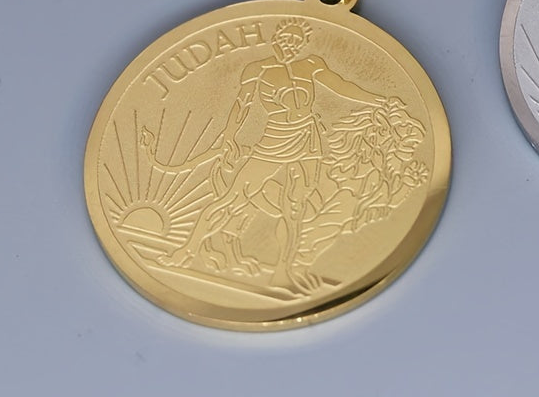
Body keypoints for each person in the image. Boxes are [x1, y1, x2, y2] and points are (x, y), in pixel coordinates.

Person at [161, 18, 383, 289]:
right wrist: (230, 137)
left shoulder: (311, 65)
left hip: (307, 142)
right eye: (286, 38)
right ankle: (186, 251)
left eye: (296, 40)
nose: (290, 44)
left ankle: (283, 271)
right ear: (277, 39)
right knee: (232, 199)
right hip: (273, 140)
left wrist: (378, 101)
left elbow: (342, 86)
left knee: (294, 208)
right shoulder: (257, 69)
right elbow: (242, 105)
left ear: (302, 44)